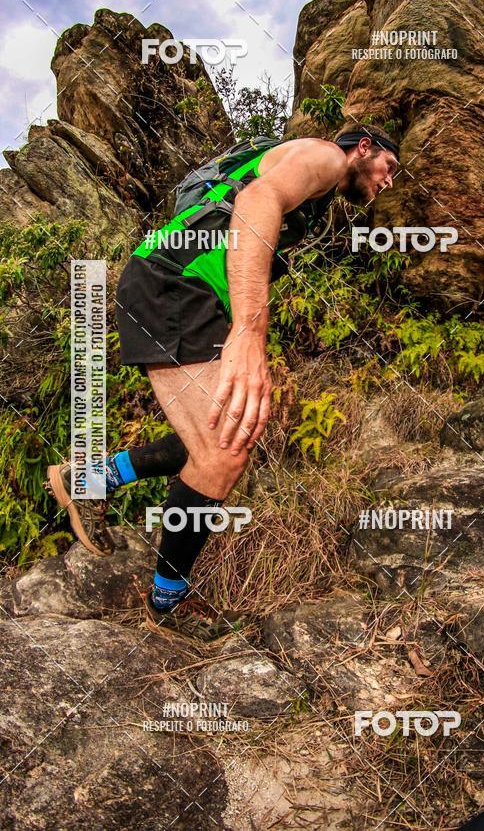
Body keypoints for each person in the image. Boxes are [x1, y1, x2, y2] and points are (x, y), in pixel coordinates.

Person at [46, 123, 399, 642]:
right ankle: (167, 605)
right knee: (224, 448)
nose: (388, 181)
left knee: (230, 430)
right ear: (363, 148)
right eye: (389, 166)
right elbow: (259, 199)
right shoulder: (326, 158)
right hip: (174, 284)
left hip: (184, 288)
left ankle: (89, 481)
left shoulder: (303, 173)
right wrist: (248, 332)